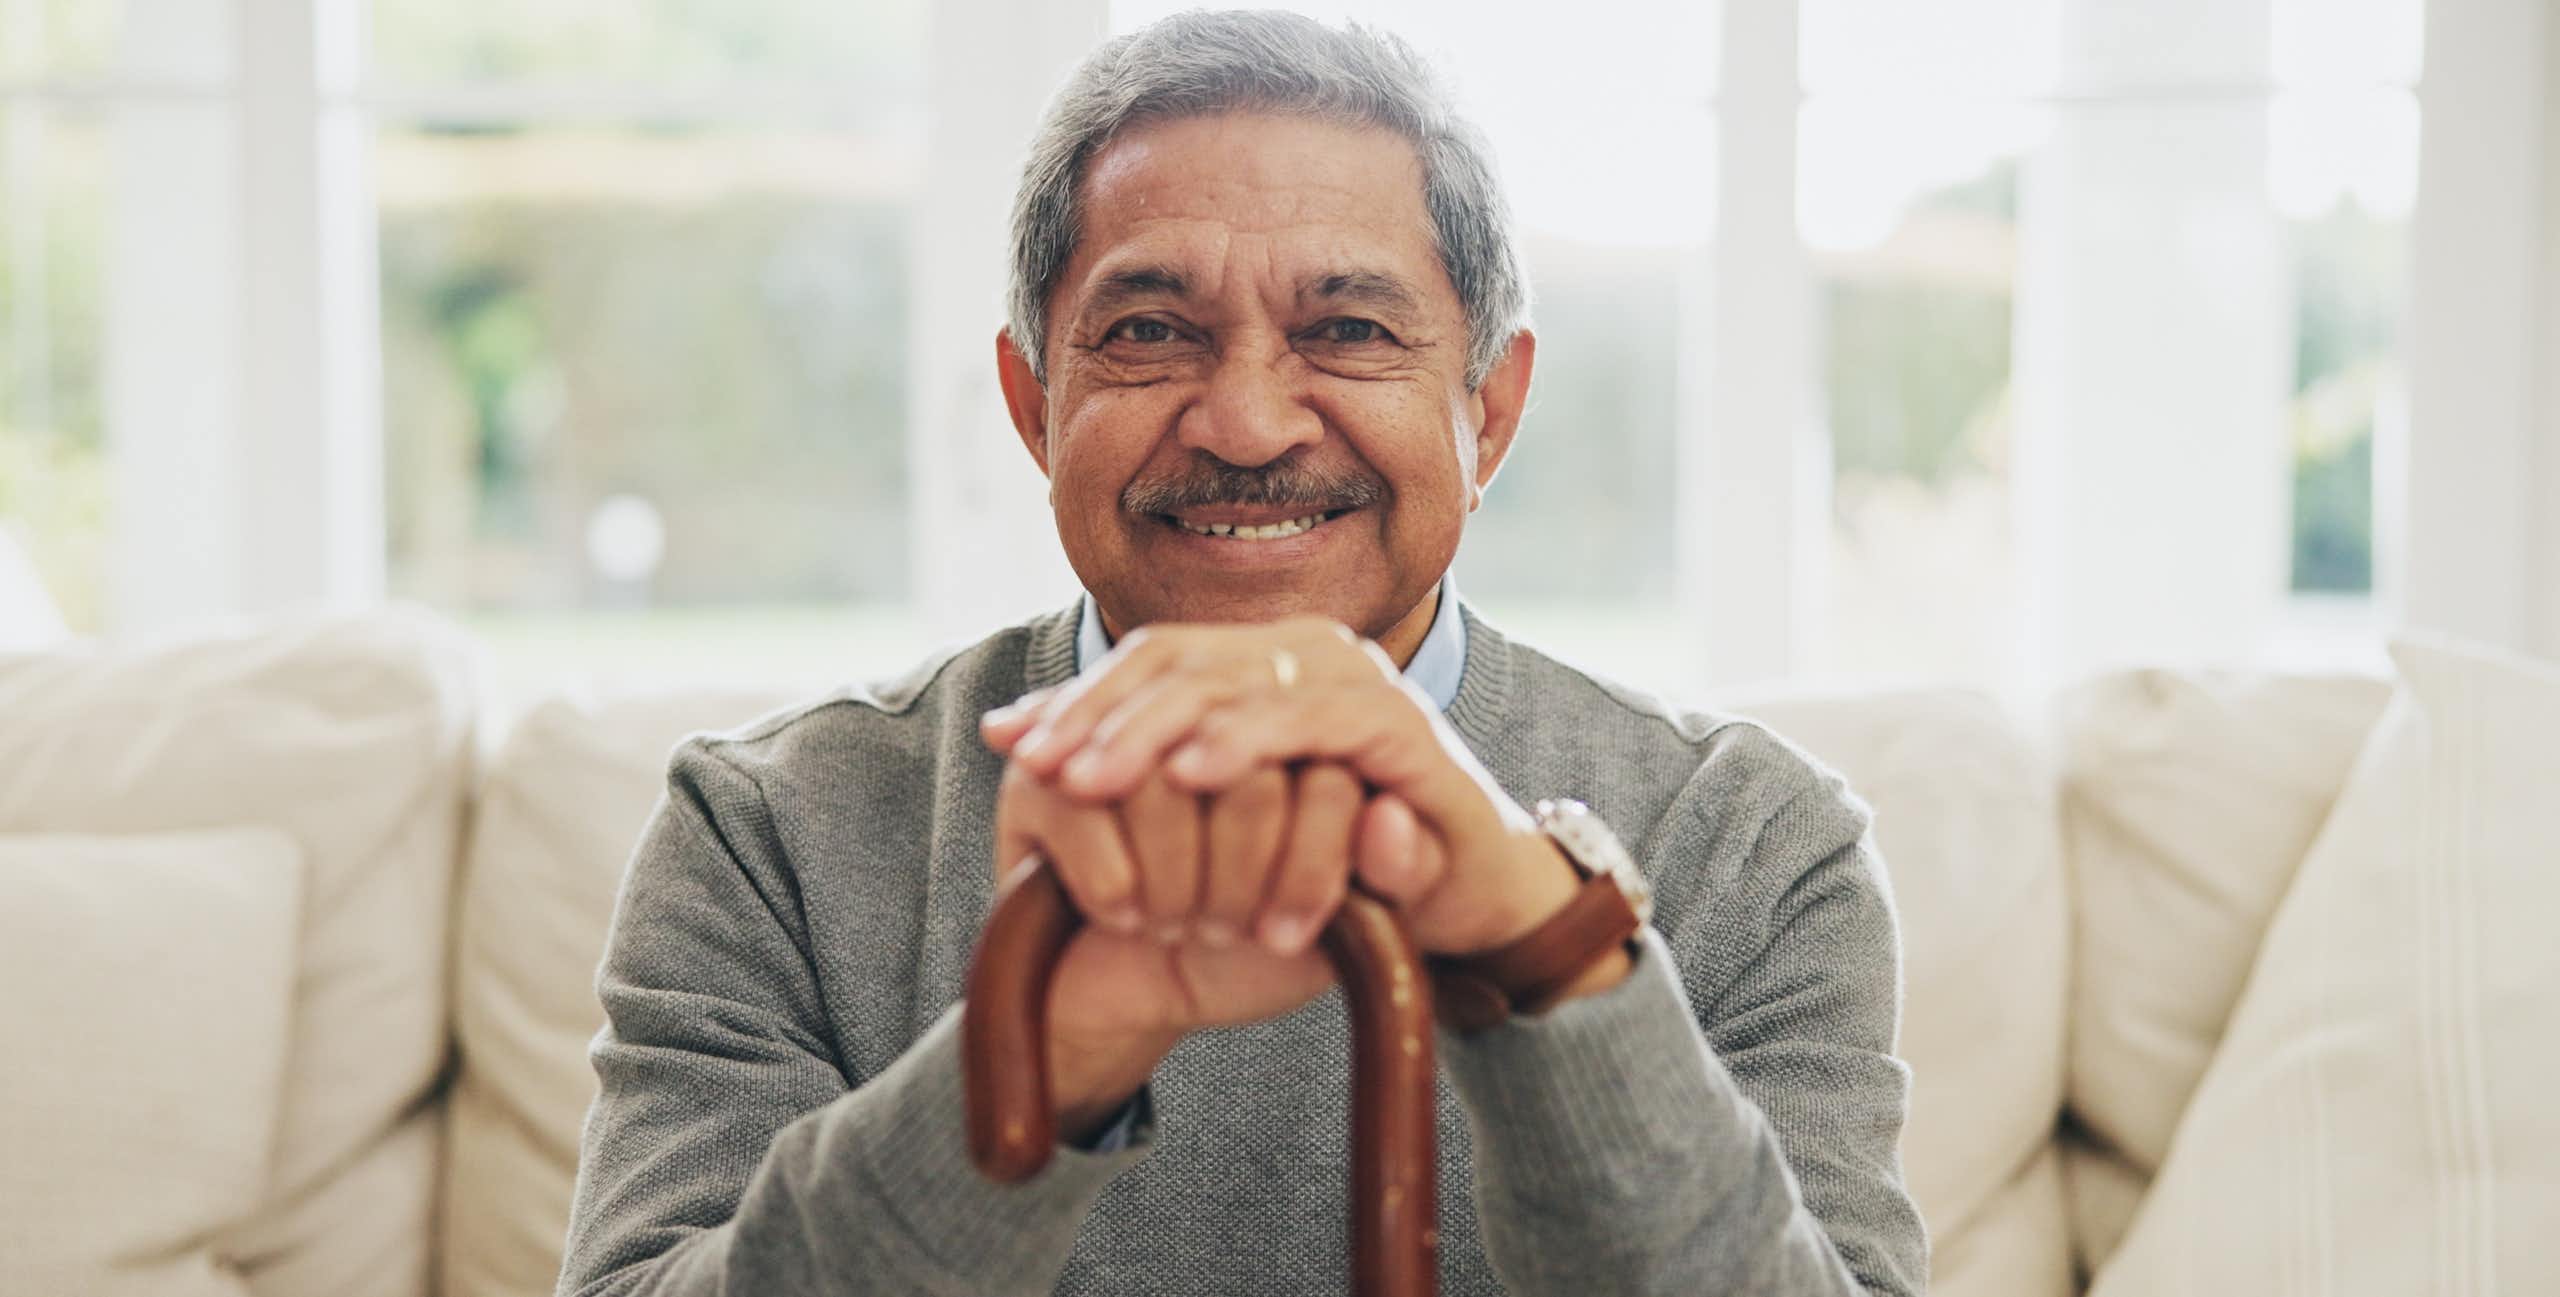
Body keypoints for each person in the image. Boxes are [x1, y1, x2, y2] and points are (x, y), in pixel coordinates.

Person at [555, 10, 1927, 1295]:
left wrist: (1546, 946)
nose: (1251, 424)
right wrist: (1038, 1060)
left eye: (1350, 331)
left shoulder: (1752, 841)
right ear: (1036, 407)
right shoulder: (770, 831)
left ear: (1490, 412)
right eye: (1150, 333)